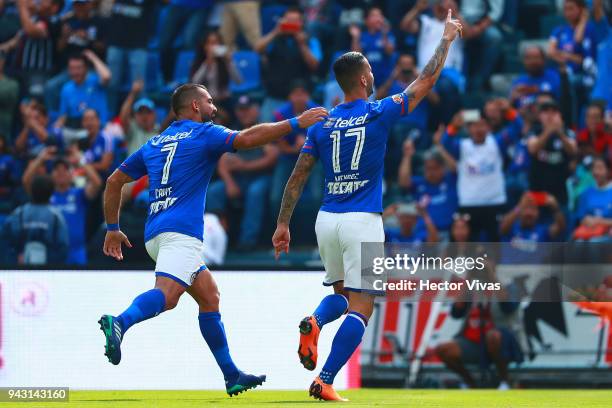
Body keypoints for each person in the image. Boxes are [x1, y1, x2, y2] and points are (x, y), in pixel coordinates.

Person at [272, 10, 462, 401]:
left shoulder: (322, 124)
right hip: (362, 219)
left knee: (341, 295)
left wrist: (283, 224)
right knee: (362, 306)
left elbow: (297, 176)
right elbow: (424, 81)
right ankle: (324, 379)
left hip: (326, 220)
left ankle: (315, 319)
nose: (374, 76)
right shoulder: (378, 110)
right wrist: (446, 40)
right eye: (371, 71)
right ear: (363, 79)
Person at [98, 83, 327, 396]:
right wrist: (296, 123)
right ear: (194, 106)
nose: (214, 107)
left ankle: (231, 374)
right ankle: (120, 322)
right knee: (165, 297)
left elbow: (113, 181)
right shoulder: (204, 134)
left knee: (209, 297)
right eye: (208, 100)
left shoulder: (155, 142)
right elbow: (246, 139)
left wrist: (113, 226)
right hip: (181, 234)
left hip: (156, 232)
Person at [206, 96, 279, 250]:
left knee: (255, 192)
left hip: (261, 177)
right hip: (237, 179)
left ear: (256, 110)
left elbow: (271, 158)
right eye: (240, 110)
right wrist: (229, 182)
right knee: (214, 191)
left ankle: (247, 241)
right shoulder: (232, 129)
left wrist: (244, 166)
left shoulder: (265, 127)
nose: (244, 113)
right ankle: (217, 238)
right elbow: (223, 160)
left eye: (247, 109)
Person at [437, 111, 511, 241]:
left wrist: (507, 110)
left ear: (488, 127)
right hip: (469, 203)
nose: (479, 129)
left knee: (495, 244)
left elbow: (517, 127)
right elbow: (446, 142)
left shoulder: (496, 143)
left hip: (494, 202)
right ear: (469, 128)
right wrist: (454, 126)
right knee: (467, 247)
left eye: (482, 125)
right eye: (475, 125)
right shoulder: (462, 146)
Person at [22, 145, 102, 264]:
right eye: (57, 169)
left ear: (71, 174)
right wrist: (40, 159)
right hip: (52, 252)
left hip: (76, 252)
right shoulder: (45, 194)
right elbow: (26, 181)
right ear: (51, 175)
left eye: (65, 169)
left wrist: (81, 160)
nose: (61, 172)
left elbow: (97, 183)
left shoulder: (79, 194)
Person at [254, 6, 322, 121]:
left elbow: (314, 65)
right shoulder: (275, 39)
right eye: (288, 21)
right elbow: (258, 49)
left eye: (295, 21)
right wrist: (275, 32)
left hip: (300, 99)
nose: (291, 24)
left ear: (301, 23)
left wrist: (302, 45)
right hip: (275, 96)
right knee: (265, 130)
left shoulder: (310, 40)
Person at [1, 174, 69, 265]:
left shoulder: (19, 213)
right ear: (51, 193)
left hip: (21, 268)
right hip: (44, 270)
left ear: (30, 191)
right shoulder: (56, 217)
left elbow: (5, 241)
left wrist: (14, 258)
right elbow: (63, 247)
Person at [398, 141, 458, 238]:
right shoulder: (420, 183)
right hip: (424, 235)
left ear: (443, 168)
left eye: (435, 168)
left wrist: (440, 147)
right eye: (428, 168)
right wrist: (407, 156)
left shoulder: (451, 179)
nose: (431, 172)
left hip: (449, 233)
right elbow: (403, 181)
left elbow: (455, 168)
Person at [527, 100, 577, 207]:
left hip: (561, 188)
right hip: (538, 188)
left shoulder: (568, 133)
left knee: (561, 221)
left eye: (554, 112)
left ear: (560, 116)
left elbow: (573, 151)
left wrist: (560, 133)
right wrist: (548, 131)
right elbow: (533, 149)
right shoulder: (535, 131)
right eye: (546, 112)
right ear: (540, 116)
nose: (550, 115)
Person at [55, 51, 112, 128]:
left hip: (100, 128)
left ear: (86, 68)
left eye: (78, 68)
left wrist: (93, 58)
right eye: (72, 68)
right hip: (77, 131)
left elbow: (106, 76)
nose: (75, 72)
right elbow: (63, 117)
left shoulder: (95, 80)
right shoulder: (66, 89)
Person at [349, 7, 396, 88]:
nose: (378, 18)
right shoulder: (362, 36)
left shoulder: (387, 34)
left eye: (380, 15)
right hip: (367, 79)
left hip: (385, 79)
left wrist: (384, 34)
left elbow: (390, 51)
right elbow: (354, 57)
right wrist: (355, 37)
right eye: (374, 15)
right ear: (366, 20)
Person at [574, 157, 612, 242]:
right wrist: (586, 220)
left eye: (600, 168)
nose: (596, 172)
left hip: (608, 233)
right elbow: (581, 217)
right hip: (589, 231)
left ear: (608, 171)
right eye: (594, 168)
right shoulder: (586, 193)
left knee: (594, 243)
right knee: (578, 243)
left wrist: (599, 221)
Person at [119, 80, 159, 156]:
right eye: (140, 113)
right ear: (135, 116)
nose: (144, 116)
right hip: (133, 168)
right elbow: (123, 117)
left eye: (148, 112)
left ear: (154, 115)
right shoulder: (132, 129)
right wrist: (133, 93)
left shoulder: (160, 131)